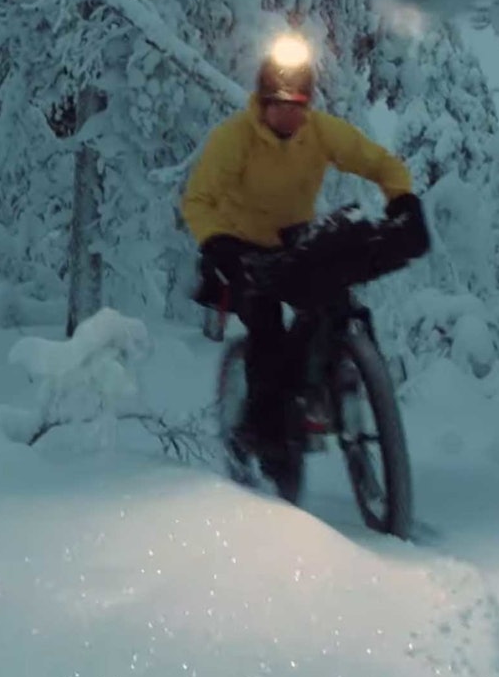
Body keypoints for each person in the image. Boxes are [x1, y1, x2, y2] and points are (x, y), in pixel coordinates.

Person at [181, 32, 426, 461]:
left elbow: (379, 162)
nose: (291, 114)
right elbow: (198, 200)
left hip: (294, 244)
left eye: (299, 104)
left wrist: (401, 197)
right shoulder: (234, 138)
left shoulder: (319, 133)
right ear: (263, 102)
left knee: (333, 300)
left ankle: (333, 382)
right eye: (281, 104)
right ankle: (260, 431)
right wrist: (218, 245)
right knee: (267, 332)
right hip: (240, 250)